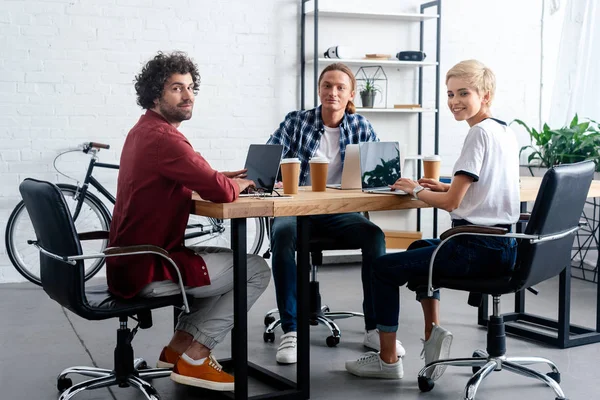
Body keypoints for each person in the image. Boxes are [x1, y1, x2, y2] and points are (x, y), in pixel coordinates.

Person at [107, 51, 271, 391]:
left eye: (191, 87)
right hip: (148, 266)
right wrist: (234, 184)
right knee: (254, 269)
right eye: (176, 88)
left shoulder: (143, 131)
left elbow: (185, 176)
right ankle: (196, 357)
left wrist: (223, 177)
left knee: (226, 268)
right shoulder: (165, 138)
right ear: (155, 94)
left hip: (127, 261)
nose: (188, 95)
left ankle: (178, 350)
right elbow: (221, 192)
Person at [345, 59, 519, 380]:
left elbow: (452, 203)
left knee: (381, 269)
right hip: (503, 247)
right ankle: (432, 335)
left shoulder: (477, 134)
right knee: (419, 245)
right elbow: (484, 189)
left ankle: (386, 361)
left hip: (473, 248)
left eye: (463, 93)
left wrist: (415, 191)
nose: (454, 102)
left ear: (487, 96)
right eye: (450, 94)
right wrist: (443, 185)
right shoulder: (504, 132)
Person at [266, 62, 405, 364]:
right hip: (297, 210)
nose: (333, 92)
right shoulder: (296, 122)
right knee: (282, 232)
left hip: (338, 213)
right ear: (319, 89)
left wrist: (393, 178)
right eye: (327, 85)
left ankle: (375, 328)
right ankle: (291, 329)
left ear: (351, 93)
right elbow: (267, 159)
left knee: (374, 237)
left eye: (340, 87)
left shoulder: (361, 127)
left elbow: (379, 175)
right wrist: (273, 175)